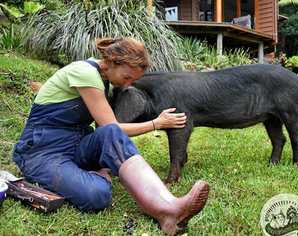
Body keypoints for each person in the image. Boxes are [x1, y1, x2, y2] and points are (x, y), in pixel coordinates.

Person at [12, 37, 210, 235]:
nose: (128, 85)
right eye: (127, 78)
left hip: (76, 144)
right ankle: (95, 175)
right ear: (113, 62)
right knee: (97, 194)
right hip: (42, 152)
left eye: (133, 81)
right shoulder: (84, 73)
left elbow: (107, 131)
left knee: (111, 133)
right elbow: (111, 124)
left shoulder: (103, 80)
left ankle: (169, 208)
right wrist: (156, 123)